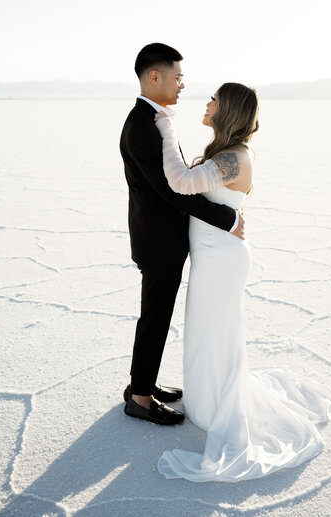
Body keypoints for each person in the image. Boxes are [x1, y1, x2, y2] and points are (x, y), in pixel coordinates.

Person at [154, 82, 331, 482]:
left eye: (214, 100)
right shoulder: (227, 154)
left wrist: (167, 130)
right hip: (214, 258)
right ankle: (205, 400)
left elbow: (181, 182)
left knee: (215, 332)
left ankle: (214, 405)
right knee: (205, 331)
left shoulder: (235, 158)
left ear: (229, 111)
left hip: (222, 261)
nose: (206, 104)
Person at [120, 43, 245, 426]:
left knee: (155, 314)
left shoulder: (154, 119)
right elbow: (170, 190)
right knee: (155, 317)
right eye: (177, 77)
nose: (182, 85)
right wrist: (226, 218)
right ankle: (140, 398)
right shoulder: (143, 125)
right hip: (158, 243)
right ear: (153, 77)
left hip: (162, 238)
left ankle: (144, 384)